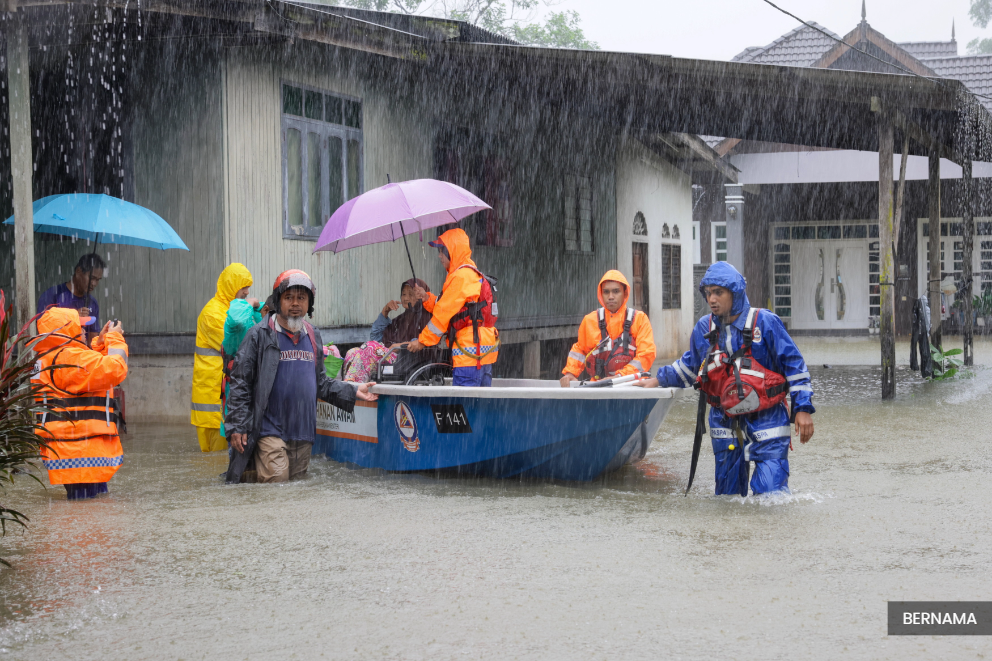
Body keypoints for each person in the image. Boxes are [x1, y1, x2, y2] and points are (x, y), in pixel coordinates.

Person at [637, 262, 815, 496]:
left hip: (768, 417)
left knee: (772, 497)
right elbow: (690, 366)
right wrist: (658, 380)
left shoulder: (766, 323)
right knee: (727, 499)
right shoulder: (704, 327)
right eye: (709, 293)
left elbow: (795, 366)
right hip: (724, 419)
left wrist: (802, 409)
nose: (712, 299)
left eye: (718, 292)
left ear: (735, 293)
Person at [225, 270, 377, 484]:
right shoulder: (259, 335)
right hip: (269, 430)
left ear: (309, 304)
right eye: (289, 297)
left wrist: (353, 389)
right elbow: (240, 383)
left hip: (303, 433)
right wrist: (237, 427)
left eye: (301, 298)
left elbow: (321, 383)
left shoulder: (313, 335)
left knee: (297, 492)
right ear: (278, 300)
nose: (295, 303)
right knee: (277, 485)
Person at [33, 308, 128, 500]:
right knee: (88, 516)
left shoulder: (51, 357)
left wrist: (99, 344)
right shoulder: (69, 359)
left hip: (73, 451)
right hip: (81, 453)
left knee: (87, 511)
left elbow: (88, 375)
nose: (85, 330)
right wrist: (115, 339)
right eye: (81, 326)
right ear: (67, 331)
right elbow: (115, 369)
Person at [408, 228, 499, 387]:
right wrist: (426, 297)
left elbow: (443, 315)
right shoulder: (470, 273)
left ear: (452, 251)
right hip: (483, 354)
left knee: (464, 406)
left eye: (442, 251)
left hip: (469, 355)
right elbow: (453, 308)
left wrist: (422, 341)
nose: (439, 256)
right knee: (481, 407)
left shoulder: (460, 277)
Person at [191, 263, 254, 453]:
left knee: (221, 464)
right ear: (231, 286)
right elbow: (240, 343)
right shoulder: (213, 314)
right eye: (242, 287)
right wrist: (250, 307)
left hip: (221, 400)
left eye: (247, 287)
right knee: (214, 464)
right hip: (212, 406)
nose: (247, 292)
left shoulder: (228, 310)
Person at [560, 270, 657, 387]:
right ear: (601, 294)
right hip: (598, 387)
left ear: (625, 293)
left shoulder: (640, 319)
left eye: (616, 291)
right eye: (606, 292)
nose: (611, 296)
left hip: (633, 385)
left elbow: (646, 354)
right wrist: (570, 372)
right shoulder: (589, 320)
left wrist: (620, 376)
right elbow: (580, 350)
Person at [341, 278, 433, 383]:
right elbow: (376, 337)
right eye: (403, 294)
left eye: (411, 294)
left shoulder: (427, 318)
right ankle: (351, 385)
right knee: (352, 352)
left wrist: (398, 345)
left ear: (420, 296)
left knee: (370, 347)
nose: (406, 298)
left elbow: (422, 341)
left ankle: (355, 388)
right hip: (389, 357)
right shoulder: (400, 319)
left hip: (407, 360)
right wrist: (386, 310)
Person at [219, 293, 266, 439]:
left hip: (261, 406)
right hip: (238, 403)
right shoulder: (238, 333)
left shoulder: (268, 331)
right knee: (240, 453)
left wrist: (260, 309)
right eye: (244, 288)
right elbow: (237, 319)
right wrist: (249, 302)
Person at [37, 253, 105, 345]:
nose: (94, 283)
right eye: (91, 278)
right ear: (78, 271)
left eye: (97, 280)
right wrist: (74, 317)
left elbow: (93, 341)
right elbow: (42, 329)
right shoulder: (52, 296)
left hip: (83, 356)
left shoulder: (92, 303)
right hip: (57, 355)